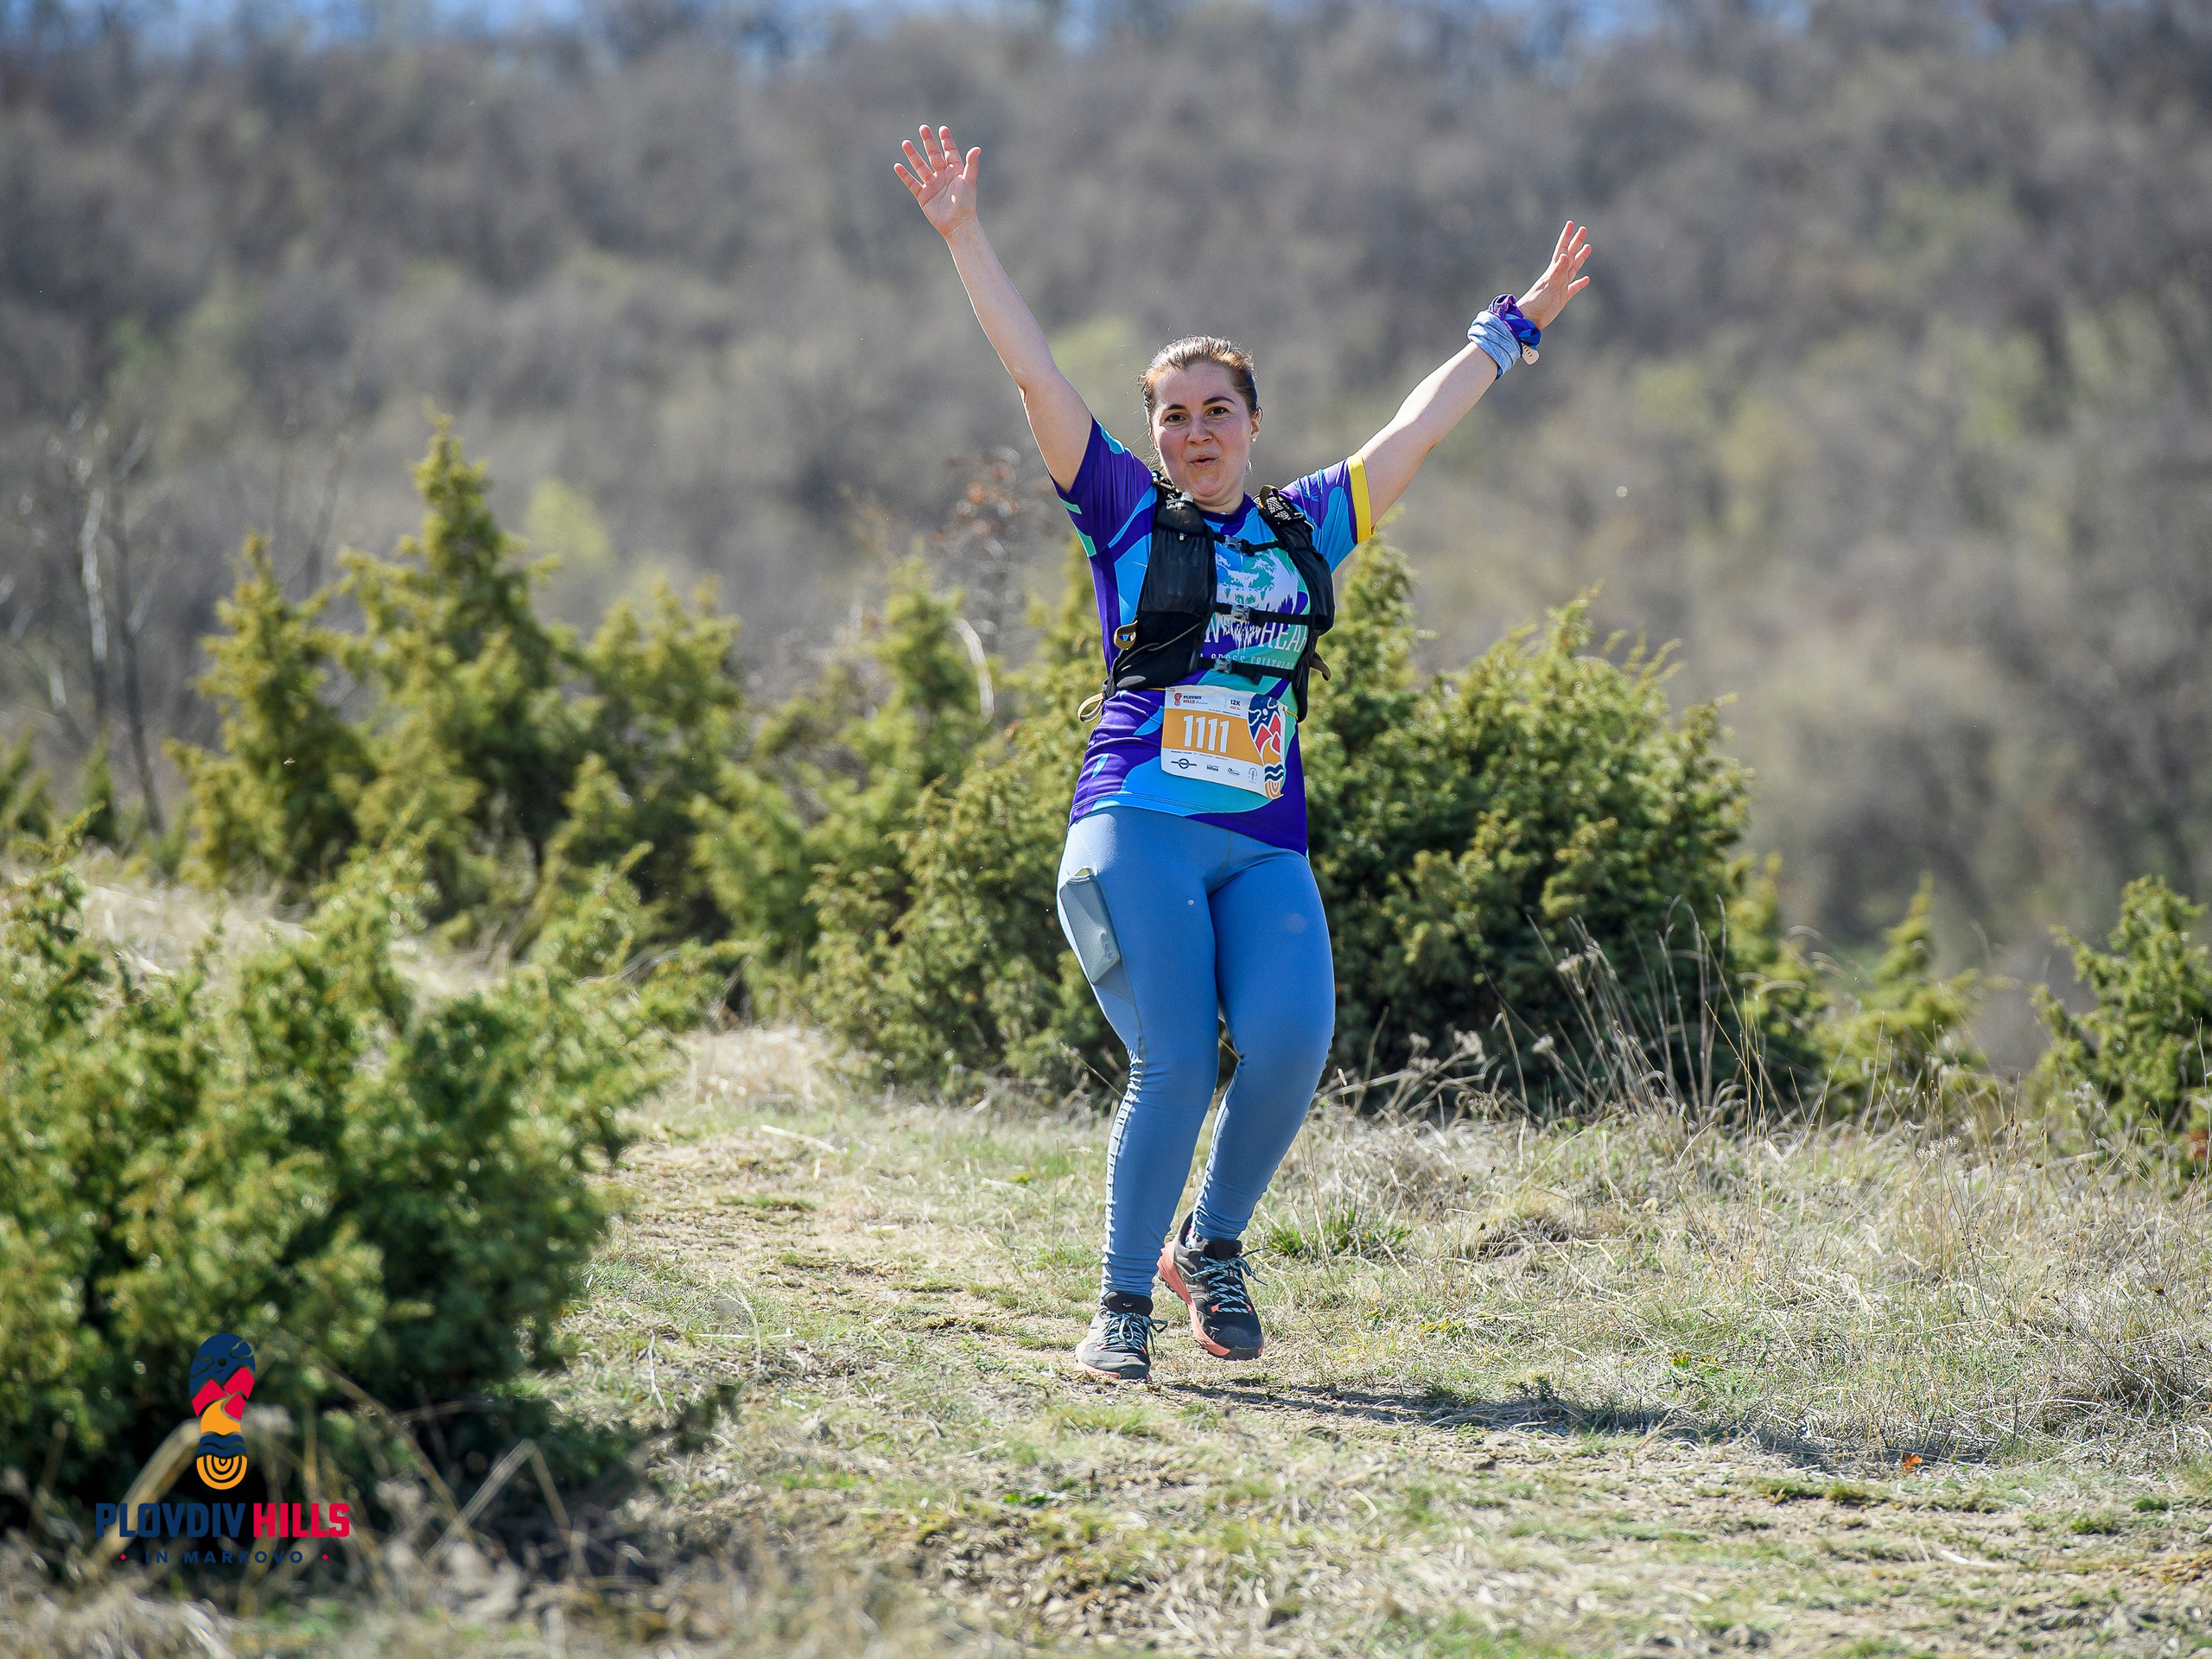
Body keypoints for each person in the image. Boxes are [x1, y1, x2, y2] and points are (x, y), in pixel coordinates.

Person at [895, 124, 1591, 1382]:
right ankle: (1119, 1309)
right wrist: (965, 236)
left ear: (1254, 424)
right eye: (1175, 416)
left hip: (1264, 842)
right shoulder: (1121, 511)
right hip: (1138, 823)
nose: (1196, 431)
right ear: (1156, 436)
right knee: (1173, 1060)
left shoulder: (1308, 524)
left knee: (1287, 1048)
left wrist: (1514, 326)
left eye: (1219, 410)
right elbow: (1036, 375)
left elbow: (1417, 430)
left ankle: (1207, 1245)